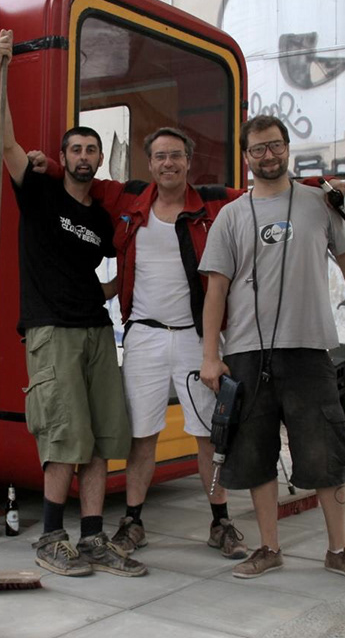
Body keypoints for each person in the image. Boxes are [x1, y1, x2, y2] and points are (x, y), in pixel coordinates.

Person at [30, 128, 250, 559]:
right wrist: (51, 166)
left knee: (208, 434)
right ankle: (133, 520)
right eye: (160, 156)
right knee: (141, 435)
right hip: (144, 336)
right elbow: (84, 176)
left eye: (176, 156)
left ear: (189, 160)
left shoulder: (210, 202)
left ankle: (220, 521)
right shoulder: (130, 198)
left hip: (194, 338)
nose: (169, 163)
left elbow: (262, 190)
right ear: (149, 163)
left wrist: (322, 187)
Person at [199, 115, 345, 582]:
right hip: (246, 353)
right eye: (258, 149)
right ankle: (268, 547)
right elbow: (215, 290)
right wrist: (209, 355)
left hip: (309, 349)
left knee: (326, 451)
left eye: (275, 145)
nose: (268, 155)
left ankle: (338, 549)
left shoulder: (319, 203)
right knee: (255, 452)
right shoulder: (231, 216)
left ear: (287, 148)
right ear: (246, 158)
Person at [0, 28, 145, 577]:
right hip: (50, 330)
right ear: (61, 156)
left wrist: (114, 291)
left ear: (99, 157)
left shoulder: (102, 220)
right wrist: (0, 69)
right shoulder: (37, 191)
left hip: (98, 330)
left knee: (103, 441)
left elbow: (104, 268)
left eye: (91, 149)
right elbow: (5, 140)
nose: (83, 156)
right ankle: (50, 537)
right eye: (74, 149)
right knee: (65, 440)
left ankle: (92, 538)